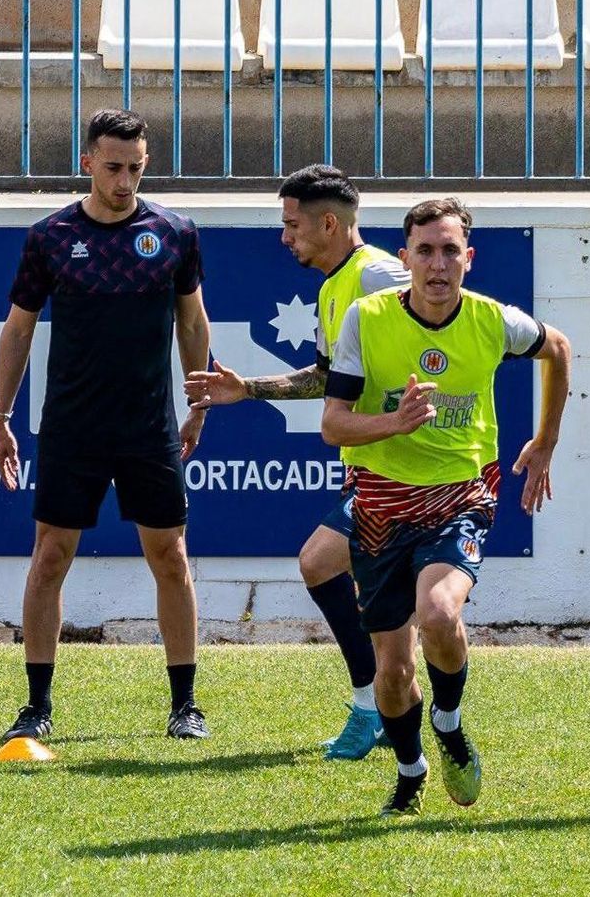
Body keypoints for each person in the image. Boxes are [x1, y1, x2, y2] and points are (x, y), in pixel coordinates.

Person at [321, 197, 570, 817]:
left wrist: (545, 442)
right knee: (392, 673)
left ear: (469, 258)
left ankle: (451, 722)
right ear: (403, 258)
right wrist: (394, 422)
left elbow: (558, 349)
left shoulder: (491, 320)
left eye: (449, 250)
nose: (437, 264)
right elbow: (333, 425)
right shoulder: (367, 317)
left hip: (461, 495)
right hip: (379, 505)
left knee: (436, 612)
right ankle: (411, 771)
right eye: (425, 251)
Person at [0, 109, 213, 741]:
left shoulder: (175, 233)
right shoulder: (51, 237)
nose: (126, 180)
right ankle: (37, 705)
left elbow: (193, 323)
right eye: (113, 167)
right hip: (72, 428)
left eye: (137, 168)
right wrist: (2, 415)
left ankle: (184, 703)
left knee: (170, 557)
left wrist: (196, 404)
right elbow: (18, 328)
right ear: (86, 162)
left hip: (149, 429)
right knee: (51, 555)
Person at [184, 164, 408, 759]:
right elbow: (330, 375)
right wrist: (247, 389)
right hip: (372, 464)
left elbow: (439, 342)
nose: (284, 238)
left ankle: (385, 707)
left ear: (328, 223)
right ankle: (394, 707)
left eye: (292, 225)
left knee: (322, 565)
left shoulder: (380, 276)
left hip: (407, 468)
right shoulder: (337, 285)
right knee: (378, 596)